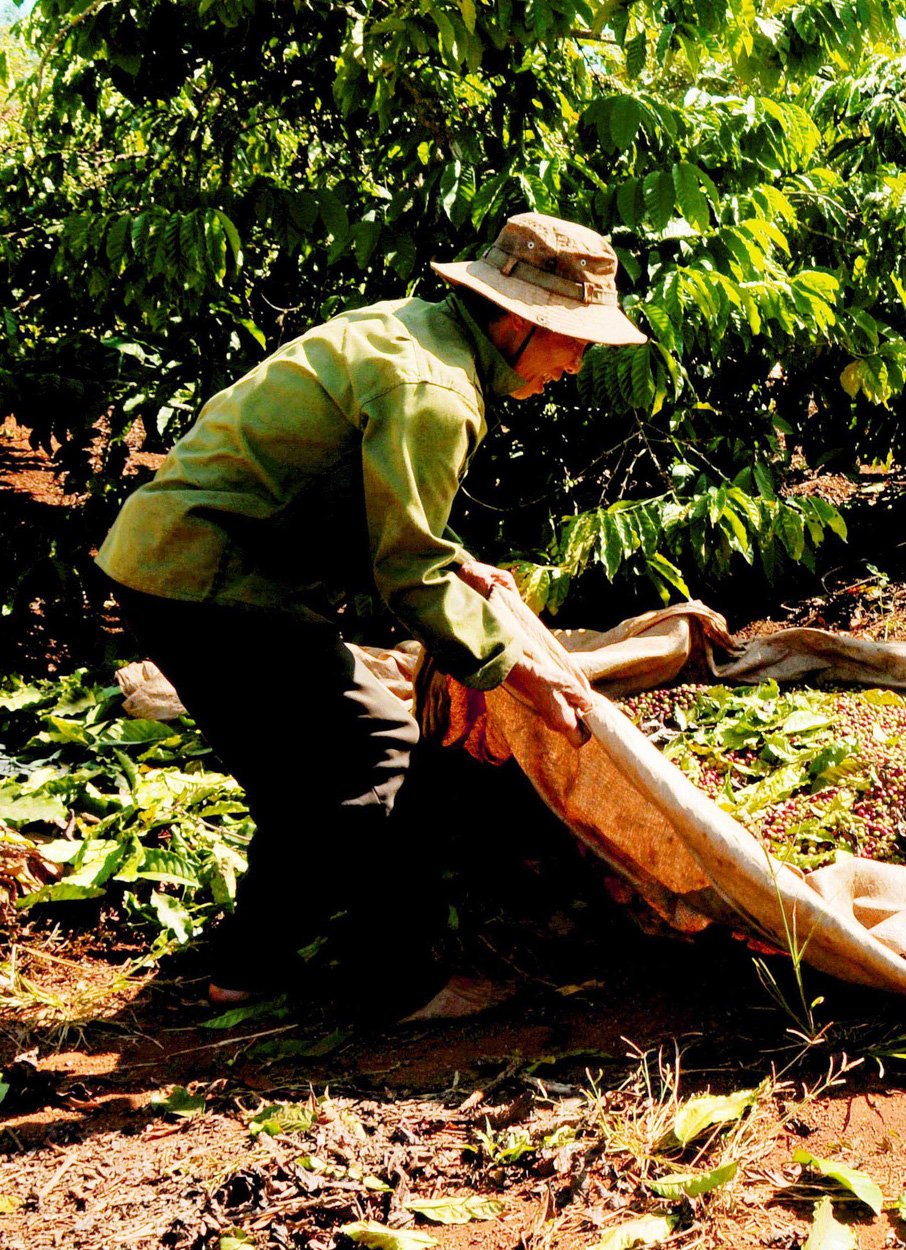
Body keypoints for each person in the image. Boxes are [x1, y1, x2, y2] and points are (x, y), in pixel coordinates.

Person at [95, 212, 646, 1021]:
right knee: (378, 749)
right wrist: (519, 669)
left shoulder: (411, 329)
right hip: (212, 584)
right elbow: (407, 576)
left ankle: (245, 971)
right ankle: (397, 982)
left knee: (302, 784)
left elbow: (367, 496)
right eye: (574, 341)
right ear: (523, 323)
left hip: (169, 563)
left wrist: (453, 556)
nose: (576, 363)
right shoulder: (437, 391)